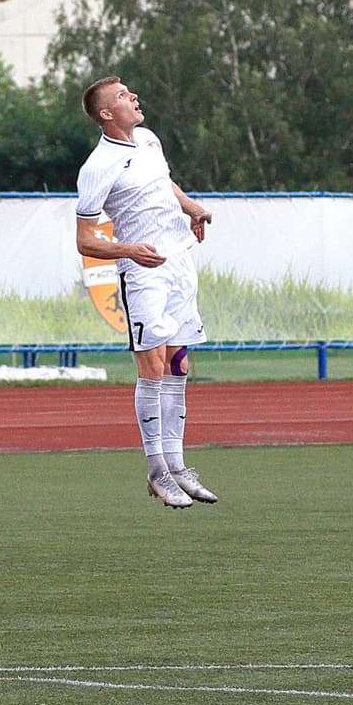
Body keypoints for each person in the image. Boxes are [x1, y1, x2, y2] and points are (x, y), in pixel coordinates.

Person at [73, 78, 220, 508]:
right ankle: (157, 471)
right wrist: (129, 250)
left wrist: (192, 207)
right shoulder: (99, 165)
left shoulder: (149, 141)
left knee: (178, 361)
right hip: (143, 273)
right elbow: (85, 241)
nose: (133, 98)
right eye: (122, 97)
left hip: (178, 263)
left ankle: (177, 466)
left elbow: (165, 185)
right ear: (105, 114)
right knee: (152, 366)